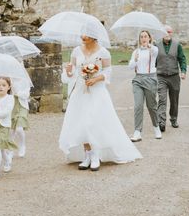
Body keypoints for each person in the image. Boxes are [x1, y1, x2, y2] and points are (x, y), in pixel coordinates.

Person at [59, 31, 142, 171]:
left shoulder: (103, 52)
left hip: (97, 92)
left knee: (93, 122)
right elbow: (72, 72)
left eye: (84, 35)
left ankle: (96, 155)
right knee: (81, 123)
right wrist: (68, 71)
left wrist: (96, 79)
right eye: (81, 34)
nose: (82, 37)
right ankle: (87, 156)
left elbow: (108, 71)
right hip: (80, 92)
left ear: (93, 36)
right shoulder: (76, 51)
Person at [128, 30, 161, 142]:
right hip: (138, 80)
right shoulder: (136, 52)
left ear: (149, 38)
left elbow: (155, 52)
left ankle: (156, 127)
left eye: (145, 36)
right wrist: (135, 60)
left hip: (150, 78)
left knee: (151, 106)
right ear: (139, 39)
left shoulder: (153, 50)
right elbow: (130, 66)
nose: (143, 38)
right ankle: (137, 132)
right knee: (138, 106)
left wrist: (149, 45)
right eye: (141, 37)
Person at [156, 25, 187, 132]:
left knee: (174, 100)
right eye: (165, 32)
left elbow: (182, 59)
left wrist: (183, 71)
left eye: (169, 32)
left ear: (172, 33)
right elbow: (153, 62)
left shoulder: (177, 45)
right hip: (161, 76)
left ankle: (173, 119)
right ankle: (161, 122)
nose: (167, 33)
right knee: (162, 99)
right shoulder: (156, 45)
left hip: (174, 76)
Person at [10, 81, 30, 157]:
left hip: (22, 107)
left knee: (19, 129)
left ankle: (22, 145)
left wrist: (16, 92)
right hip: (11, 107)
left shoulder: (24, 80)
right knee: (11, 131)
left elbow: (26, 95)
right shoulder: (8, 79)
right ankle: (10, 149)